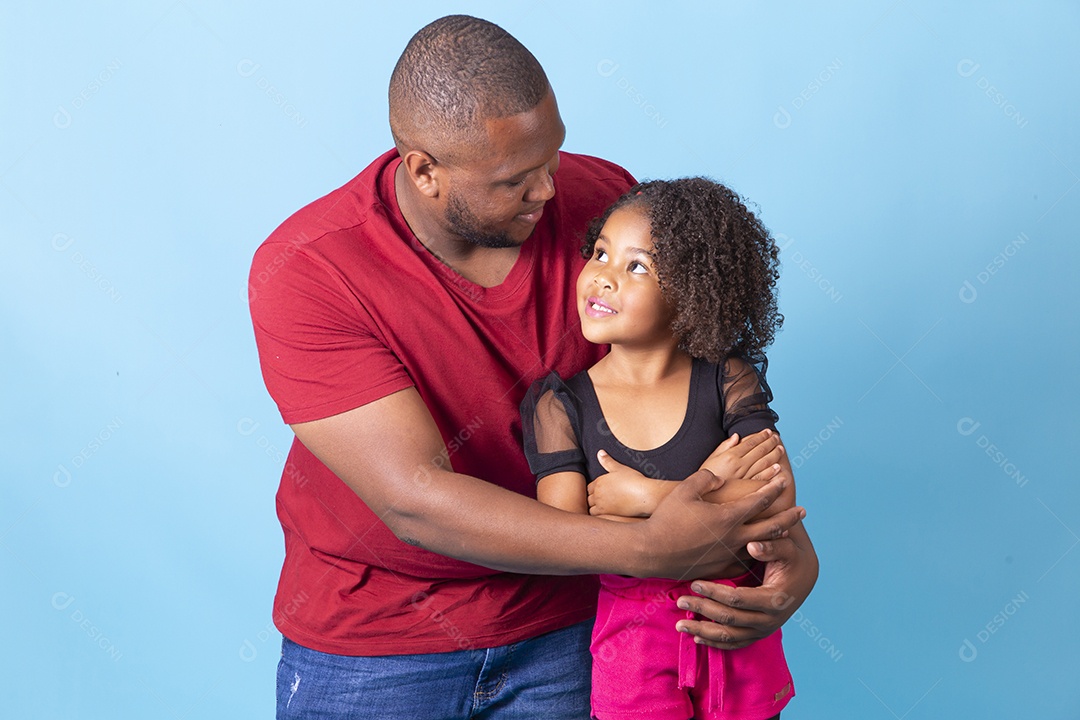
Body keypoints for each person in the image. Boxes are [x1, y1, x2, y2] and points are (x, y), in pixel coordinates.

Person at [248, 14, 817, 720]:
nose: (549, 191)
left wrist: (788, 552)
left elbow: (695, 401)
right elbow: (415, 497)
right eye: (516, 179)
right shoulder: (311, 270)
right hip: (379, 642)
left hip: (581, 628)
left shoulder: (602, 204)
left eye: (553, 157)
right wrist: (650, 545)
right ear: (424, 171)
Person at [521, 178, 801, 719]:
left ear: (692, 294)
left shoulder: (728, 381)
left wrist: (645, 495)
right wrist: (716, 491)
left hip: (736, 632)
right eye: (601, 252)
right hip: (633, 645)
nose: (602, 276)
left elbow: (775, 501)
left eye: (637, 266)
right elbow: (566, 537)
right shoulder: (559, 406)